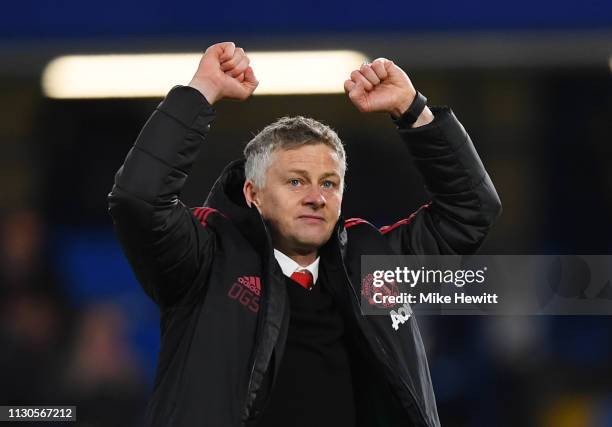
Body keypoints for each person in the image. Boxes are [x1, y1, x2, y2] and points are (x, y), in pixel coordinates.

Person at [108, 41, 501, 427]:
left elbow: (471, 210)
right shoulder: (207, 262)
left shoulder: (372, 268)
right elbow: (139, 199)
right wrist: (202, 92)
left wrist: (413, 110)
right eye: (296, 182)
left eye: (329, 183)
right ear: (253, 194)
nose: (316, 197)